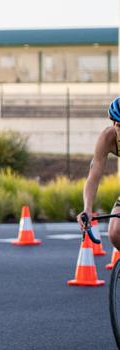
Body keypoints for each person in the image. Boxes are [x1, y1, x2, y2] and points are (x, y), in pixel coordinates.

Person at [78, 96, 120, 248]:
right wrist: (87, 209)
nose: (119, 128)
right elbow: (93, 177)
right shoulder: (108, 138)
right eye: (117, 124)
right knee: (115, 232)